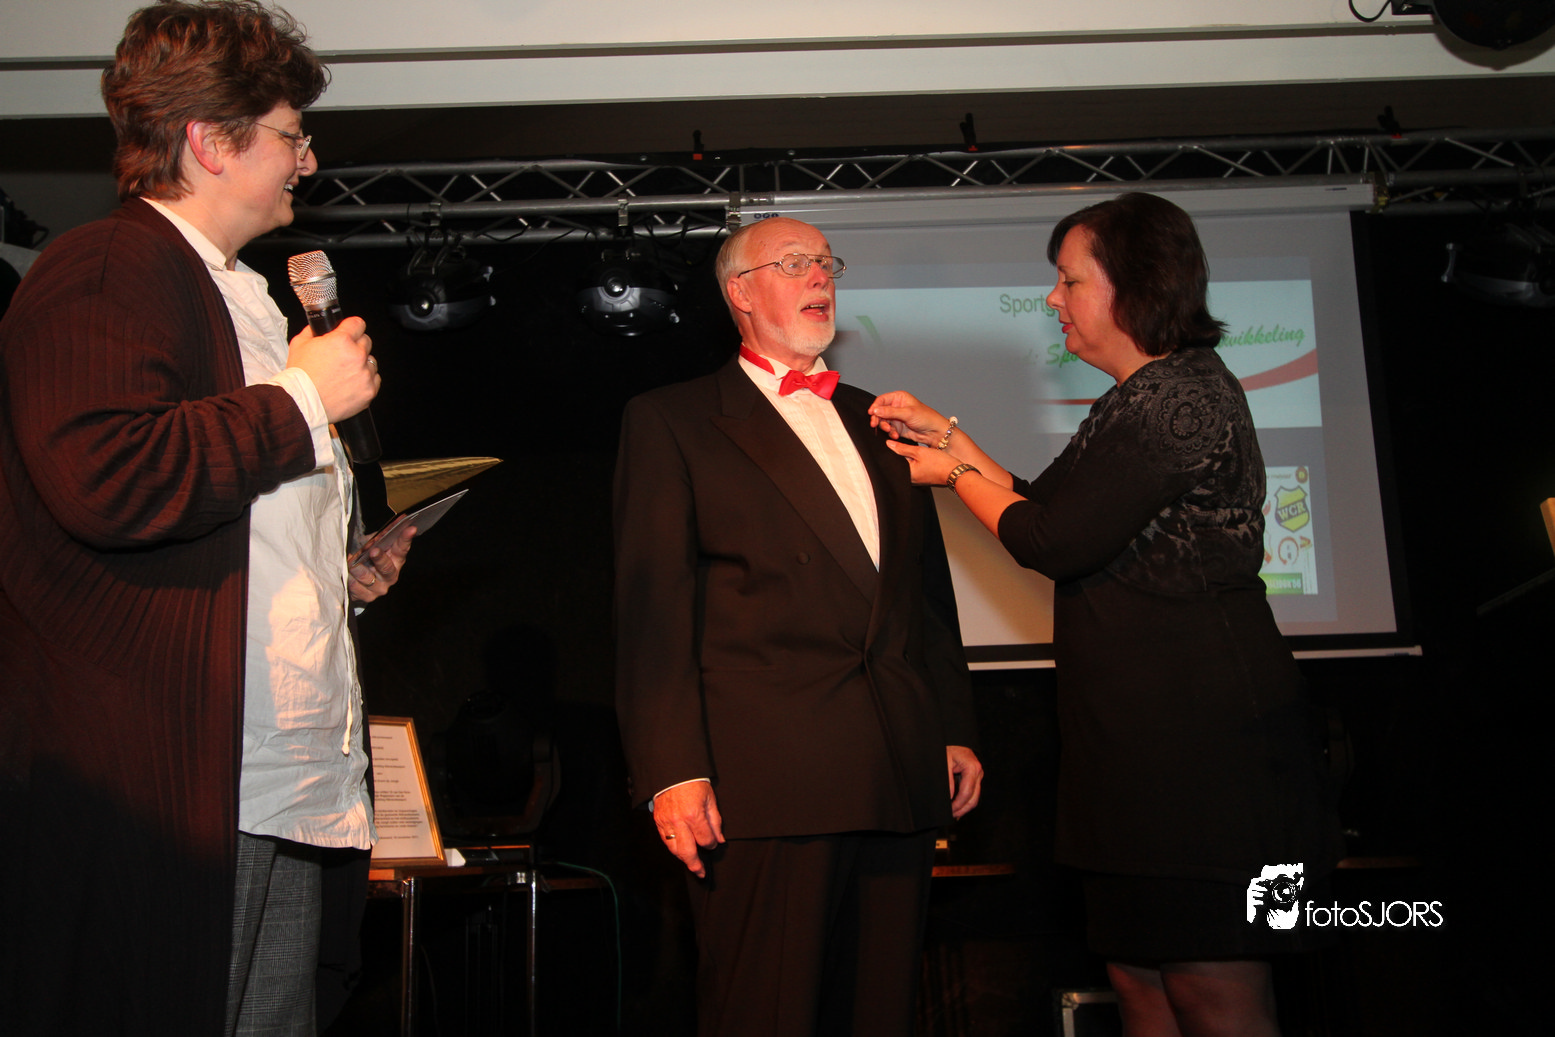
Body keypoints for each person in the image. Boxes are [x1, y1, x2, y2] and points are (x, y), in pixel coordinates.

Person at [0, 3, 411, 1035]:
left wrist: (336, 575)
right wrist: (302, 399)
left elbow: (225, 508)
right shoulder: (107, 265)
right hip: (174, 784)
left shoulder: (247, 297)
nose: (307, 162)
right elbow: (106, 474)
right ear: (212, 142)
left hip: (273, 776)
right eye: (290, 136)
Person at [870, 193, 1342, 1037]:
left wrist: (949, 474)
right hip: (1131, 743)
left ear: (1134, 284)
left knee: (1212, 985)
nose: (1052, 299)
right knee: (1137, 979)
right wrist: (948, 439)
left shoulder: (1181, 398)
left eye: (1068, 280)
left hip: (1202, 743)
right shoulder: (1133, 397)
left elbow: (1050, 539)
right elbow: (1040, 502)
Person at [614, 216, 983, 1037]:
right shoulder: (673, 419)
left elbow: (923, 596)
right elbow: (652, 612)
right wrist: (672, 770)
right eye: (793, 263)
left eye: (825, 262)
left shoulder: (880, 419)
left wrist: (951, 725)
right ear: (739, 293)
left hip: (896, 769)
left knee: (878, 1015)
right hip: (766, 783)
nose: (820, 276)